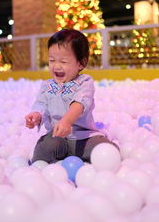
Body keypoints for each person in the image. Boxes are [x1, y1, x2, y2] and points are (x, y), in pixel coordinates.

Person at [25, 29, 117, 163]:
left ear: (81, 63)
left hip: (83, 138)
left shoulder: (84, 82)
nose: (56, 66)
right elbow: (42, 103)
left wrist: (66, 121)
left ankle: (84, 154)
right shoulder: (47, 85)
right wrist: (37, 115)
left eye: (63, 61)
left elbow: (79, 104)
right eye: (52, 60)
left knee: (107, 151)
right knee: (43, 150)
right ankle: (52, 159)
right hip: (57, 137)